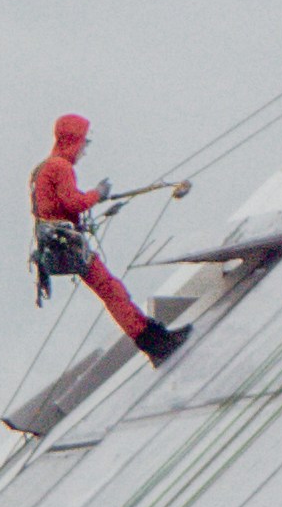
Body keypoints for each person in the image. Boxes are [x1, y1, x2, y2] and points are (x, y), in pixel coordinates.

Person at [30, 113, 186, 366]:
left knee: (111, 290)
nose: (85, 151)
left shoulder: (45, 167)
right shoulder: (61, 167)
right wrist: (98, 194)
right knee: (112, 292)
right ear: (74, 141)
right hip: (67, 244)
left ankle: (153, 337)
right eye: (84, 144)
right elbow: (74, 203)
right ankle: (154, 342)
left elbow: (58, 204)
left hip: (58, 244)